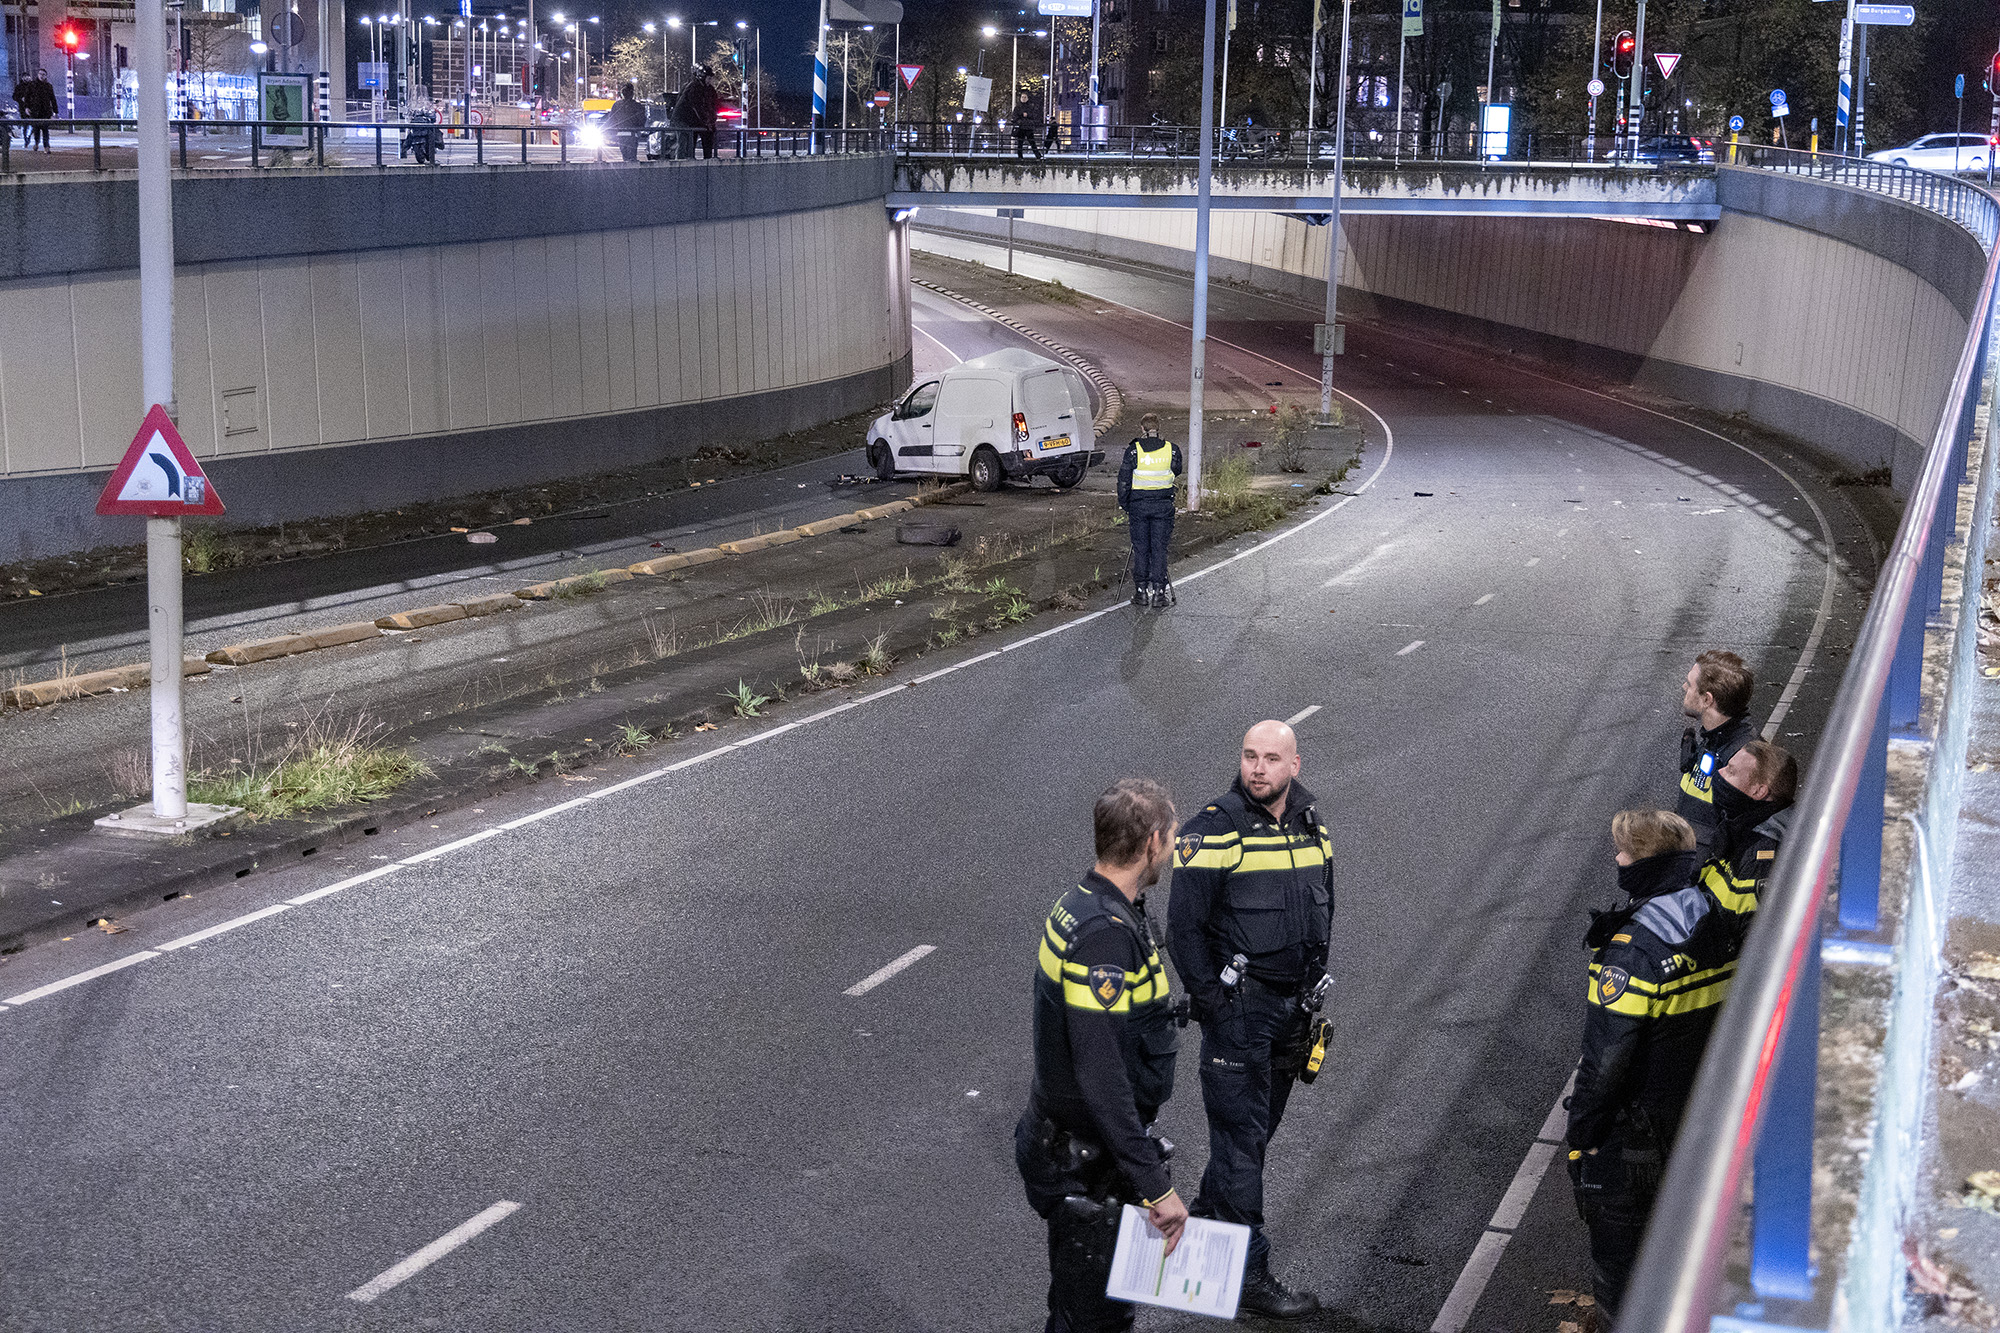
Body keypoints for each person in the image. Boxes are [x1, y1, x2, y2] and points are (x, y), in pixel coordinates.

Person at [1167, 720, 1333, 1320]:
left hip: (1292, 1009)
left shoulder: (1313, 827)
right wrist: (1213, 1001)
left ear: (1295, 765)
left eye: (1270, 758)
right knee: (1240, 1144)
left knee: (1254, 1137)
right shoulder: (1214, 828)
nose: (1257, 768)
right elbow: (1182, 929)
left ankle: (1197, 1235)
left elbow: (1324, 906)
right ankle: (1249, 1276)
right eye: (1248, 756)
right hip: (1241, 1015)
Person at [1017, 778, 1189, 1333]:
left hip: (1074, 1144)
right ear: (1151, 843)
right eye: (1170, 837)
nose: (1171, 847)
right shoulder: (1104, 937)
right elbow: (1100, 1070)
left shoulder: (1084, 902)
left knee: (1086, 1306)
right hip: (1085, 1161)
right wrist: (1154, 1185)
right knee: (1091, 1318)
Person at [1567, 809, 1735, 1322]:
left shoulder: (1632, 953)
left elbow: (1607, 1060)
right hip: (1706, 1114)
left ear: (1645, 865)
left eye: (1624, 852)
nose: (1616, 860)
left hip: (1637, 1138)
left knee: (1622, 1265)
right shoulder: (1717, 923)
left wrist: (1583, 1136)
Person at [1696, 740, 1798, 953]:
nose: (1720, 773)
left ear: (1759, 791)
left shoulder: (1762, 857)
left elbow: (1754, 949)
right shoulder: (1743, 825)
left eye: (1731, 772)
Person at [1675, 649, 1756, 855]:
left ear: (1707, 700)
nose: (1684, 687)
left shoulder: (1740, 760)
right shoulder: (1714, 740)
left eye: (1690, 685)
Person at [1117, 413, 1182, 609]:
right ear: (1158, 428)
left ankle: (1141, 592)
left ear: (1142, 428)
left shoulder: (1133, 451)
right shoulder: (1172, 450)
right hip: (1163, 506)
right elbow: (1176, 470)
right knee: (1159, 548)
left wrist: (1126, 505)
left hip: (1139, 506)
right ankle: (1160, 594)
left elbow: (1123, 482)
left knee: (1141, 549)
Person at [679, 66, 718, 158]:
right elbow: (697, 106)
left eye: (710, 78)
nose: (710, 81)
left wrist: (711, 120)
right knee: (689, 143)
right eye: (708, 78)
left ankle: (706, 159)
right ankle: (690, 160)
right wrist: (707, 121)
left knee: (707, 141)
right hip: (691, 121)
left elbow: (714, 105)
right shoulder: (694, 87)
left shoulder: (710, 89)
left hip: (701, 121)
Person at [606, 81, 647, 162]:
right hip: (633, 134)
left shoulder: (616, 105)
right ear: (632, 93)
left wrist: (609, 131)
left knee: (625, 158)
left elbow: (611, 120)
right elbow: (642, 121)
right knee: (632, 159)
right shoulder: (637, 106)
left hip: (621, 135)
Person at [20, 68, 56, 151]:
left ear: (46, 76)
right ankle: (36, 142)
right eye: (40, 74)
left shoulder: (48, 86)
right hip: (35, 110)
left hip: (46, 111)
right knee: (36, 128)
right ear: (38, 75)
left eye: (43, 74)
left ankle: (46, 146)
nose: (41, 76)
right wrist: (26, 107)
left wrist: (55, 111)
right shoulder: (32, 85)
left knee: (45, 129)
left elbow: (52, 99)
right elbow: (27, 97)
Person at [1012, 91, 1045, 161]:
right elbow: (1014, 117)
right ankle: (1020, 156)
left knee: (1032, 142)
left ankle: (1037, 156)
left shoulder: (1030, 106)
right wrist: (1021, 119)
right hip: (1022, 127)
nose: (1023, 98)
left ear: (1027, 98)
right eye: (1022, 97)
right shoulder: (1018, 107)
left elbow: (1034, 115)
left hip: (1028, 127)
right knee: (1020, 143)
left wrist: (1027, 116)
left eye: (1025, 97)